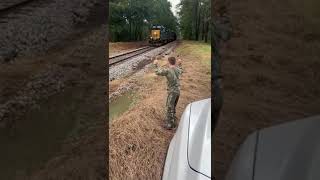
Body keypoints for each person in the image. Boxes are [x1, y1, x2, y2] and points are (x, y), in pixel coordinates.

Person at [153, 56, 182, 129]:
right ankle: (173, 119)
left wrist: (156, 64)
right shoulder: (178, 69)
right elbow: (181, 69)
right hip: (178, 91)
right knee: (173, 106)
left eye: (167, 61)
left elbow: (158, 72)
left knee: (169, 107)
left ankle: (170, 125)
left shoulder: (168, 70)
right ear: (174, 62)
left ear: (169, 62)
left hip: (172, 92)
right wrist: (180, 63)